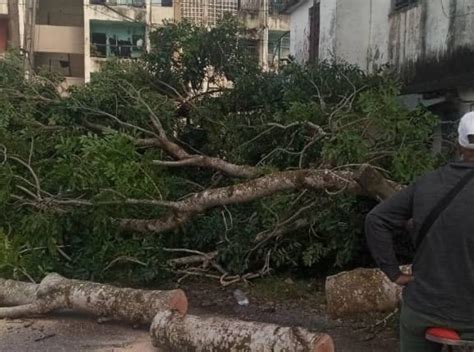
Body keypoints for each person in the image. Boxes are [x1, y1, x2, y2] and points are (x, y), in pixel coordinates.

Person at [365, 112, 474, 352]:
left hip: (425, 309)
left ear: (458, 145)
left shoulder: (427, 183)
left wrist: (394, 273)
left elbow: (376, 219)